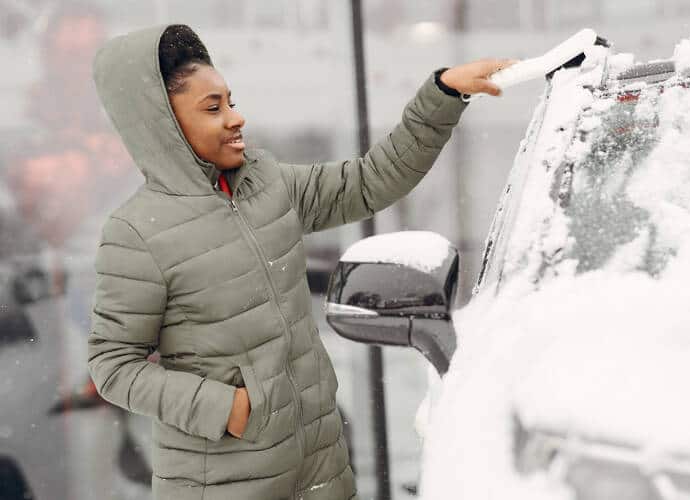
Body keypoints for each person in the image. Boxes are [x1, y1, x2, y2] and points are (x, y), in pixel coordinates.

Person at [87, 23, 514, 500]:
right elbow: (112, 365)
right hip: (222, 481)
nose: (235, 117)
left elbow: (370, 181)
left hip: (320, 463)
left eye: (230, 101)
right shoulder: (137, 232)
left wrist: (444, 94)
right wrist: (228, 407)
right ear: (164, 126)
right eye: (213, 108)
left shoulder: (266, 184)